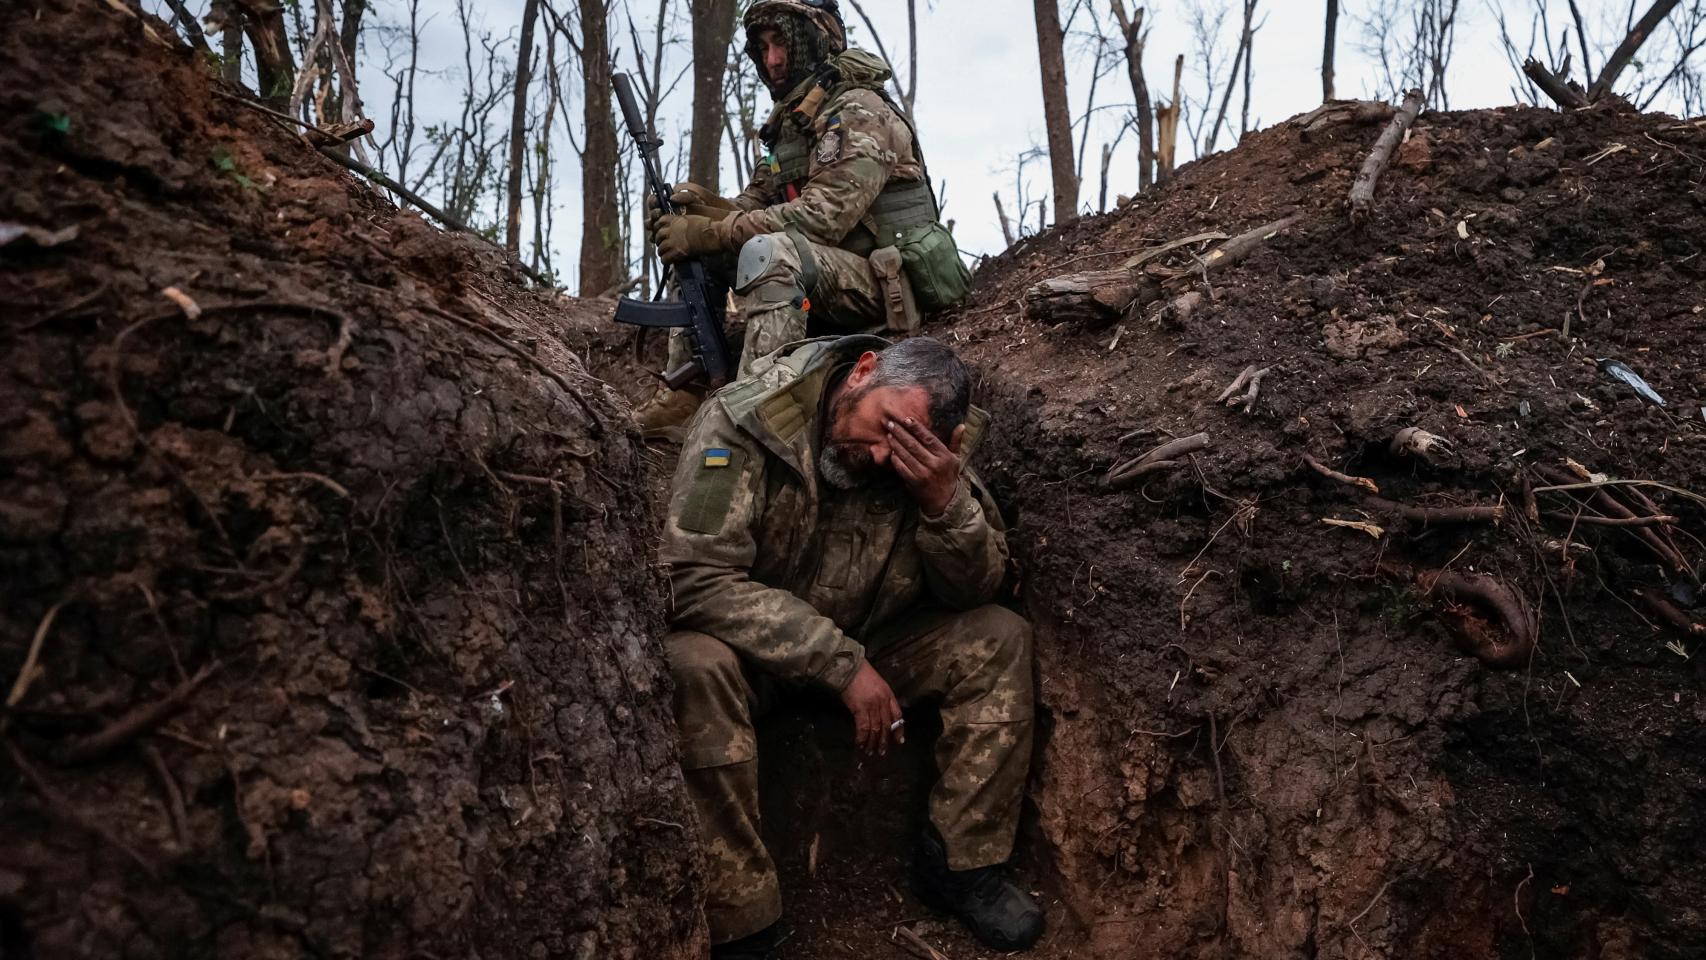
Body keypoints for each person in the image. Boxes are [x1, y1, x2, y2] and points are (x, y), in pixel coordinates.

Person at [660, 335, 1043, 959]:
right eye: (886, 427)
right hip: (756, 655)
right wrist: (839, 664)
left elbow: (976, 591)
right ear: (863, 371)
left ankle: (961, 865)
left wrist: (945, 507)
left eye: (907, 445)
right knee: (691, 665)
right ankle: (742, 918)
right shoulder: (748, 418)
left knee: (999, 636)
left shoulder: (932, 452)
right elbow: (692, 577)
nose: (882, 456)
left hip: (875, 638)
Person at [636, 0, 970, 438]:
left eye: (782, 45)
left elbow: (821, 218)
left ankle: (758, 415)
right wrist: (700, 209)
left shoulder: (858, 110)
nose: (773, 60)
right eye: (763, 47)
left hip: (884, 287)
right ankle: (687, 393)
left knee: (769, 251)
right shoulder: (791, 124)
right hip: (826, 279)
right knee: (703, 252)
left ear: (816, 41)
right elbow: (755, 204)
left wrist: (711, 231)